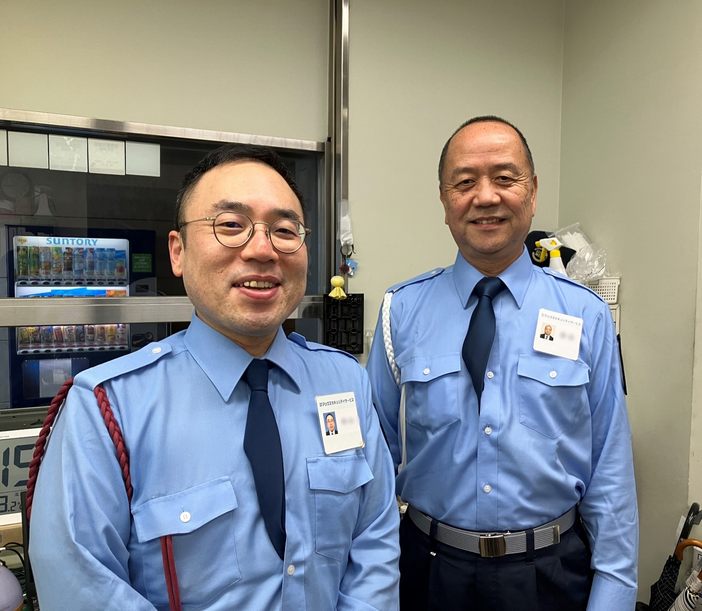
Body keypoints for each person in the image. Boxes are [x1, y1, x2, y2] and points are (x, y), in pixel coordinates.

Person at [30, 144, 400, 610]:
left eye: (285, 230)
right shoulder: (108, 408)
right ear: (178, 251)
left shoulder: (344, 381)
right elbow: (80, 585)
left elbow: (374, 539)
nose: (262, 249)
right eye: (230, 225)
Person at [366, 116, 638, 611]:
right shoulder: (399, 311)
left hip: (550, 576)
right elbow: (374, 463)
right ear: (444, 200)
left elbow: (610, 471)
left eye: (504, 178)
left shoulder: (587, 315)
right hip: (428, 572)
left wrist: (614, 596)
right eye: (465, 182)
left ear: (532, 193)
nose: (485, 196)